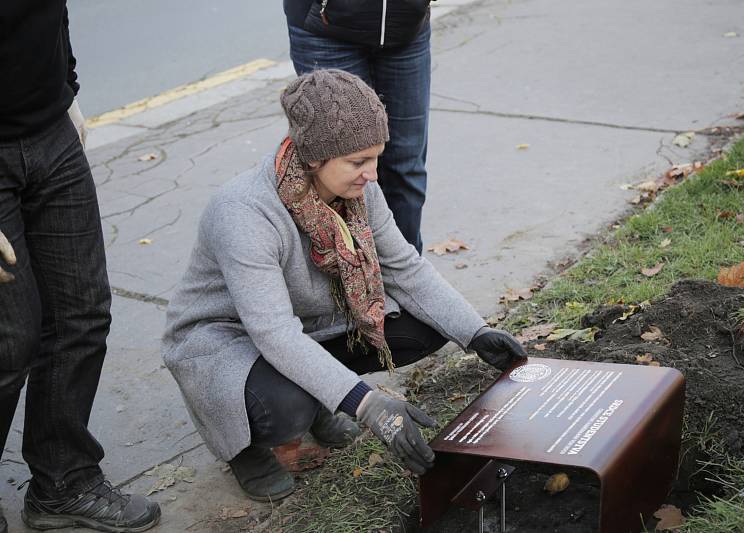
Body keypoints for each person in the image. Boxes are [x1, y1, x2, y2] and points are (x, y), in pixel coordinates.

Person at [162, 69, 527, 501]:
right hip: (227, 339)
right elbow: (272, 333)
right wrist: (366, 404)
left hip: (307, 322)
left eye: (375, 158)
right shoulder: (243, 213)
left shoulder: (356, 189)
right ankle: (245, 447)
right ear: (315, 158)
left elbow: (405, 268)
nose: (371, 174)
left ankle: (318, 396)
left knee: (425, 327)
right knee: (285, 411)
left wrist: (475, 331)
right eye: (358, 162)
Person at [0, 3, 161, 532]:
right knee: (10, 339)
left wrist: (66, 88)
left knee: (82, 314)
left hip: (51, 130)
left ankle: (63, 482)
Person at [283, 0, 433, 254]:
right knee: (338, 169)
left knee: (406, 168)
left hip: (407, 23)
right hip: (325, 25)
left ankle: (405, 280)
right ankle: (347, 281)